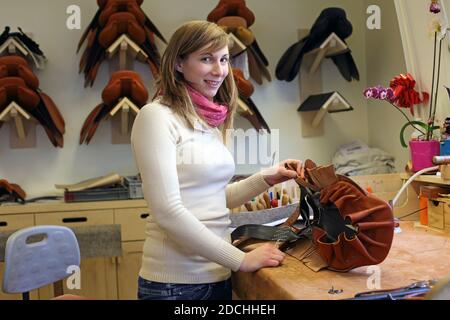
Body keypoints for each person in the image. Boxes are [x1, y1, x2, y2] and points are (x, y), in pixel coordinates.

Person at [131, 20, 303, 300]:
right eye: (206, 59)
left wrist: (266, 178)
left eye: (223, 59)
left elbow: (211, 198)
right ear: (178, 63)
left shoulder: (206, 121)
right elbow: (167, 211)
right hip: (176, 285)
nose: (219, 70)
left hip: (218, 277)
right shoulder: (155, 117)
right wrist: (240, 259)